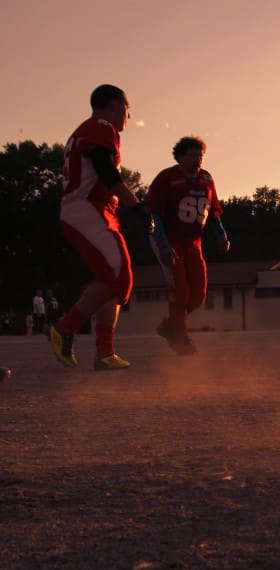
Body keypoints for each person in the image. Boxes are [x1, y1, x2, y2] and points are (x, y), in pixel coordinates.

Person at [49, 84, 174, 370]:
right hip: (86, 209)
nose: (129, 115)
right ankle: (63, 329)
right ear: (116, 104)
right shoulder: (102, 127)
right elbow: (106, 172)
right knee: (119, 276)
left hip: (94, 210)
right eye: (128, 108)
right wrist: (137, 206)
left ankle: (104, 352)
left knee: (115, 283)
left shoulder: (89, 130)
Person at [145, 136, 229, 355]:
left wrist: (221, 235)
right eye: (193, 155)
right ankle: (180, 339)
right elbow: (155, 215)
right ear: (180, 156)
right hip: (169, 239)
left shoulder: (207, 179)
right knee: (180, 290)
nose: (198, 160)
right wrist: (163, 244)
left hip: (193, 242)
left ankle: (170, 326)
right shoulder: (166, 178)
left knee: (199, 294)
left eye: (200, 155)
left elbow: (212, 213)